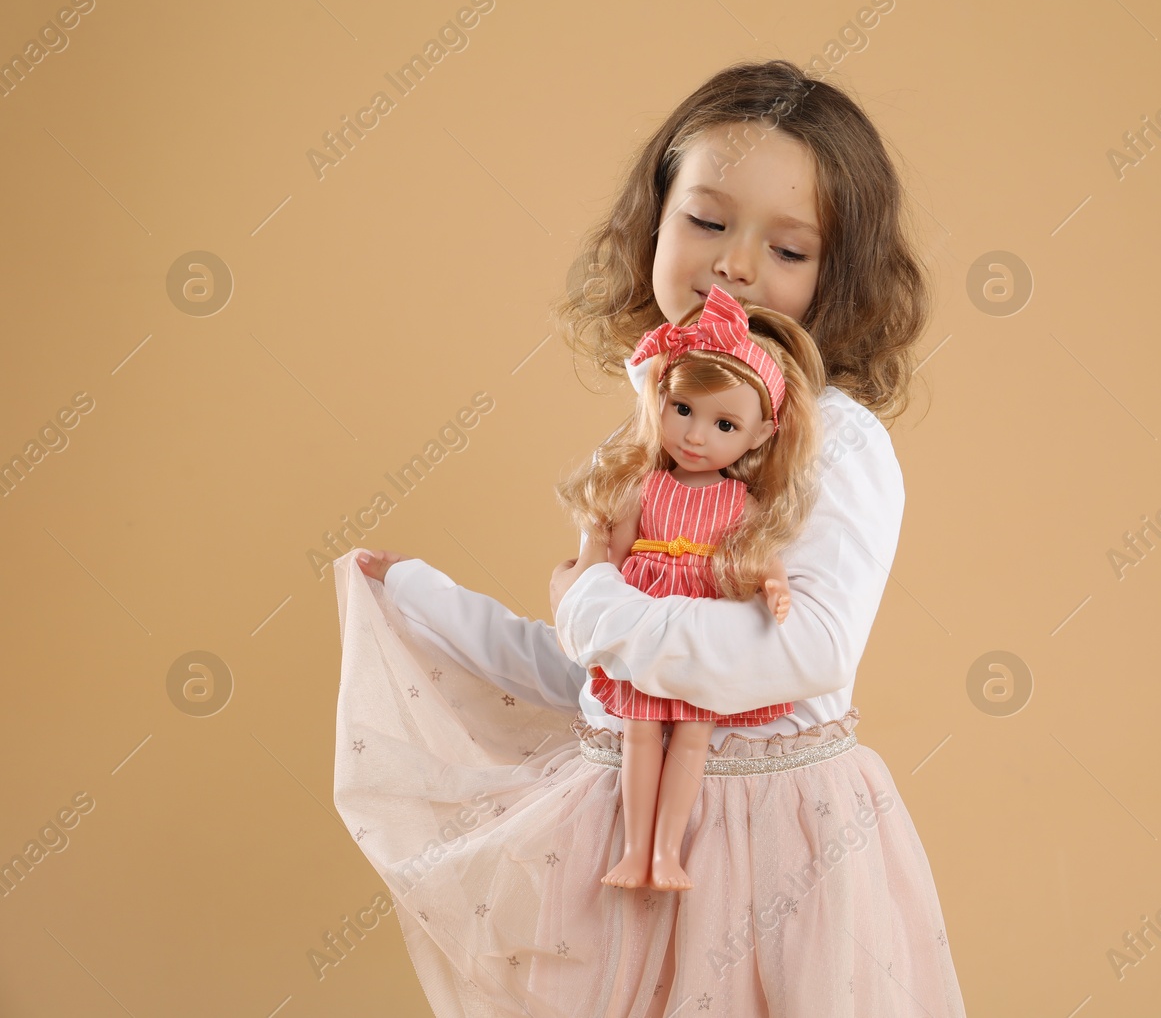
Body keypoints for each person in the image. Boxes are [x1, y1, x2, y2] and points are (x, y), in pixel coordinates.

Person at [333, 58, 966, 1017]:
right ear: (655, 223)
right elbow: (617, 673)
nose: (735, 264)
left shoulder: (835, 439)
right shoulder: (662, 442)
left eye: (788, 250)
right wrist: (428, 603)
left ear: (841, 278)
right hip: (623, 842)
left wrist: (590, 598)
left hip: (769, 845)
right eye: (708, 221)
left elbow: (805, 644)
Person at [558, 284, 828, 891]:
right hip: (643, 622)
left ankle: (666, 855)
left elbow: (760, 558)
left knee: (694, 740)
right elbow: (610, 560)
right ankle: (634, 850)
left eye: (724, 422)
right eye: (684, 410)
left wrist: (774, 588)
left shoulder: (742, 501)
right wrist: (587, 579)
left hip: (702, 634)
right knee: (640, 732)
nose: (697, 435)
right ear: (662, 402)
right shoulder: (644, 487)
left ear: (760, 437)